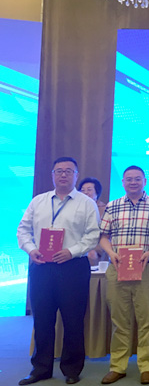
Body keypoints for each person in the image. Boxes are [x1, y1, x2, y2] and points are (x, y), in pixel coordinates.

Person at [17, 157, 100, 386]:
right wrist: (31, 249)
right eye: (59, 171)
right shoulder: (39, 201)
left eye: (68, 171)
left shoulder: (86, 203)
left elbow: (93, 235)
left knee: (73, 320)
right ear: (52, 175)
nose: (63, 175)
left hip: (73, 267)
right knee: (43, 319)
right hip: (42, 266)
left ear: (76, 175)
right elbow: (23, 230)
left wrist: (71, 252)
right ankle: (41, 368)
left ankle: (71, 369)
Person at [99, 166, 149, 385]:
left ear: (145, 181)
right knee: (120, 320)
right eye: (129, 179)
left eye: (137, 179)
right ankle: (118, 366)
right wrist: (111, 254)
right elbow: (103, 236)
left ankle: (146, 366)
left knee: (147, 320)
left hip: (145, 267)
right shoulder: (113, 205)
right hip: (117, 268)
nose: (133, 182)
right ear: (123, 182)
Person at [78, 177, 108, 266]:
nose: (85, 192)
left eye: (89, 190)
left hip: (96, 245)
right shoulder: (75, 208)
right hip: (78, 243)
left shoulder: (104, 209)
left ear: (97, 193)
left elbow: (105, 234)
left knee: (91, 254)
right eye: (82, 190)